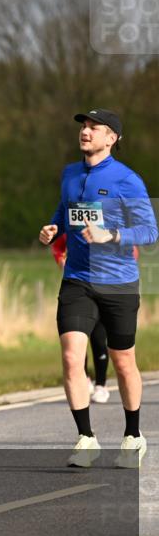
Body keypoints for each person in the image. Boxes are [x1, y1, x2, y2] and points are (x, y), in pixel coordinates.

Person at [38, 109, 157, 468]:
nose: (86, 132)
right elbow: (64, 211)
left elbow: (151, 231)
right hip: (77, 280)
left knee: (124, 362)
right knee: (73, 356)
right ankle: (86, 439)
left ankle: (133, 435)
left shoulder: (127, 180)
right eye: (84, 127)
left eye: (95, 128)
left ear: (112, 138)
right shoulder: (70, 174)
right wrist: (53, 229)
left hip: (119, 283)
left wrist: (113, 234)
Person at [51, 234, 111, 403]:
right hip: (78, 288)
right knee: (77, 340)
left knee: (99, 339)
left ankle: (101, 385)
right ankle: (84, 379)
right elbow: (58, 246)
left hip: (104, 288)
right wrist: (61, 261)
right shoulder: (72, 223)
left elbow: (131, 251)